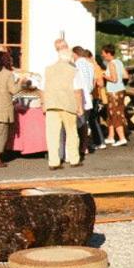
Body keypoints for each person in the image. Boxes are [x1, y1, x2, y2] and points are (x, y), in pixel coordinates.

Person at [43, 38, 83, 170]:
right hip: (68, 104)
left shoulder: (48, 69)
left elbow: (44, 88)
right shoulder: (73, 70)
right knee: (72, 132)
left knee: (52, 135)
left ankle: (53, 161)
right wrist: (80, 106)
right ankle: (74, 159)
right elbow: (77, 90)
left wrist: (44, 103)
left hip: (51, 104)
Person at [71, 46, 98, 155]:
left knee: (76, 123)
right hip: (89, 96)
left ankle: (77, 147)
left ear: (75, 54)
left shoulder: (76, 65)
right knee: (84, 123)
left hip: (80, 96)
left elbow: (77, 84)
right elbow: (92, 83)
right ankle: (84, 146)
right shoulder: (90, 65)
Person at [100, 44, 129, 146]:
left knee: (115, 114)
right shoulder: (119, 62)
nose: (102, 55)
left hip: (113, 92)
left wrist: (104, 75)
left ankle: (122, 138)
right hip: (121, 90)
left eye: (103, 53)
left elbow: (114, 79)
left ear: (108, 53)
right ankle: (111, 136)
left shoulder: (111, 64)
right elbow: (126, 76)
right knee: (112, 114)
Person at [80, 48, 106, 150]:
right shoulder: (94, 67)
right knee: (93, 120)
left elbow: (100, 83)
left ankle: (99, 141)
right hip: (95, 96)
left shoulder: (95, 67)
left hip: (95, 96)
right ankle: (98, 141)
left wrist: (92, 85)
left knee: (93, 120)